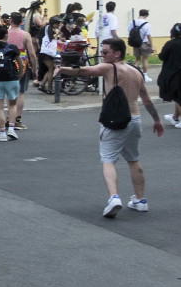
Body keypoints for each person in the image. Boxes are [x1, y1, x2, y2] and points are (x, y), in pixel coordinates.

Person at [55, 38, 166, 218]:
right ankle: (140, 200)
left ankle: (114, 197)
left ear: (117, 53)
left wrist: (62, 69)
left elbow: (85, 70)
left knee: (108, 159)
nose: (102, 55)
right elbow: (146, 100)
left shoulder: (109, 68)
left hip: (115, 120)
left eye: (105, 52)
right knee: (134, 159)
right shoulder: (136, 72)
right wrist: (157, 120)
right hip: (134, 119)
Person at [130, 9, 154, 77]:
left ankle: (133, 74)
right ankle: (145, 75)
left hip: (136, 43)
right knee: (145, 59)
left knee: (138, 59)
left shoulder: (133, 22)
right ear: (146, 15)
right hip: (144, 42)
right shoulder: (147, 24)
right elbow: (149, 36)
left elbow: (130, 30)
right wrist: (151, 46)